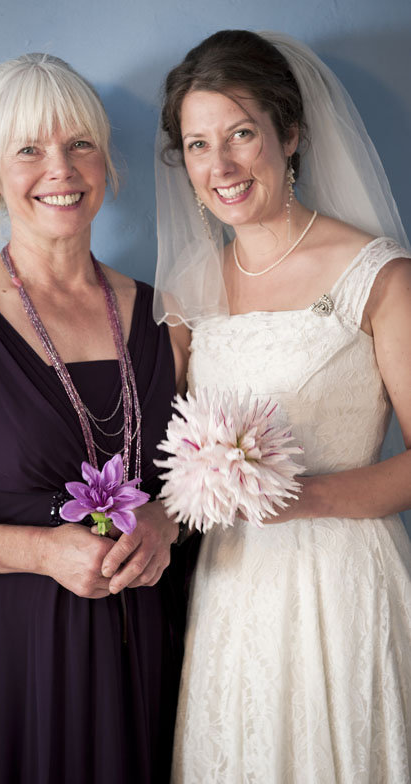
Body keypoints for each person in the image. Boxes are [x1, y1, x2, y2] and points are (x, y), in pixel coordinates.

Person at [0, 52, 192, 784]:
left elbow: (197, 482)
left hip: (142, 654)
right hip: (2, 664)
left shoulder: (169, 318)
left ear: (105, 161)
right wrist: (41, 550)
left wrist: (165, 522)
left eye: (79, 143)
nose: (60, 168)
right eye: (29, 149)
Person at [154, 29, 411, 783]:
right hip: (230, 593)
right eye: (199, 145)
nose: (221, 166)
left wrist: (297, 497)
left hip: (342, 587)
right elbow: (159, 459)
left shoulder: (376, 275)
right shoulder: (187, 292)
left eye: (241, 134)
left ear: (289, 133)